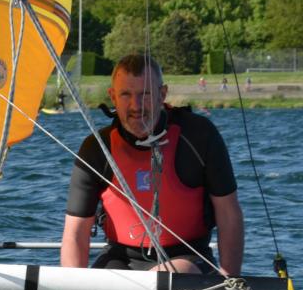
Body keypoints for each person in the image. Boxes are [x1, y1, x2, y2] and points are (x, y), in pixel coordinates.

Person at [60, 54, 244, 275]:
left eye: (145, 94)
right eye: (126, 94)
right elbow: (75, 231)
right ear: (113, 97)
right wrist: (73, 287)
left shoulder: (199, 136)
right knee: (100, 284)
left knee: (162, 276)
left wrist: (230, 280)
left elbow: (228, 212)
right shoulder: (96, 148)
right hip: (120, 259)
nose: (136, 106)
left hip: (188, 259)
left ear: (162, 95)